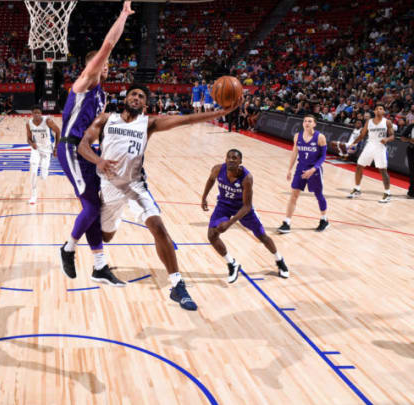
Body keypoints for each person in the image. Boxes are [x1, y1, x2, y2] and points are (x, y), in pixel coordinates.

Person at [78, 84, 241, 310]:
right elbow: (83, 144)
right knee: (105, 236)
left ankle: (177, 284)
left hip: (136, 186)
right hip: (109, 187)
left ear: (145, 104)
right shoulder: (106, 119)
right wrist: (98, 161)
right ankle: (100, 264)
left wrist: (220, 113)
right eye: (133, 94)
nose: (136, 98)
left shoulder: (148, 124)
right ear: (126, 98)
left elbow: (186, 120)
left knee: (158, 227)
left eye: (141, 96)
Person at [57, 1, 135, 286]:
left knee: (95, 207)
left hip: (86, 150)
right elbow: (109, 43)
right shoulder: (83, 82)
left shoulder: (102, 96)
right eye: (101, 62)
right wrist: (123, 15)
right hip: (69, 147)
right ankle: (67, 248)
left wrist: (106, 152)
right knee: (90, 209)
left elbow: (93, 133)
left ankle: (100, 265)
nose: (105, 65)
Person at [202, 149, 289, 283]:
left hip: (242, 208)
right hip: (223, 205)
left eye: (235, 158)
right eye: (229, 157)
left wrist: (229, 223)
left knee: (262, 236)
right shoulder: (217, 169)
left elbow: (247, 205)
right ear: (225, 159)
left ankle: (279, 259)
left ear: (240, 162)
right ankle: (232, 264)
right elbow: (210, 180)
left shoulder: (247, 178)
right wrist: (204, 197)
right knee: (212, 235)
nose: (231, 160)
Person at [277, 115, 329, 233]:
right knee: (294, 195)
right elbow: (294, 152)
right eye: (305, 121)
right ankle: (287, 222)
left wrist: (313, 169)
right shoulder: (297, 136)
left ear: (314, 124)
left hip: (314, 170)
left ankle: (324, 219)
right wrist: (289, 169)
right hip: (300, 168)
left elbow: (323, 157)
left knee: (318, 194)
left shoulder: (320, 137)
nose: (307, 123)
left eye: (310, 121)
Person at [346, 104, 396, 203]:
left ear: (384, 112)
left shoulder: (387, 122)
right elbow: (362, 135)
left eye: (381, 109)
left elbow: (392, 136)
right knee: (359, 166)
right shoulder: (369, 122)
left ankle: (388, 193)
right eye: (377, 109)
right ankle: (357, 189)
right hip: (370, 145)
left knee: (382, 170)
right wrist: (353, 143)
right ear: (374, 111)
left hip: (380, 147)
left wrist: (386, 139)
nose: (379, 110)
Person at [26, 105, 61, 204]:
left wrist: (56, 148)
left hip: (47, 148)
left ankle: (44, 170)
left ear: (41, 113)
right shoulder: (29, 124)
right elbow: (28, 138)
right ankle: (33, 196)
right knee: (33, 171)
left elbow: (58, 131)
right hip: (36, 148)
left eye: (38, 112)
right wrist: (32, 143)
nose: (37, 114)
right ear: (32, 113)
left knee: (43, 176)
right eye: (35, 113)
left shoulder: (48, 121)